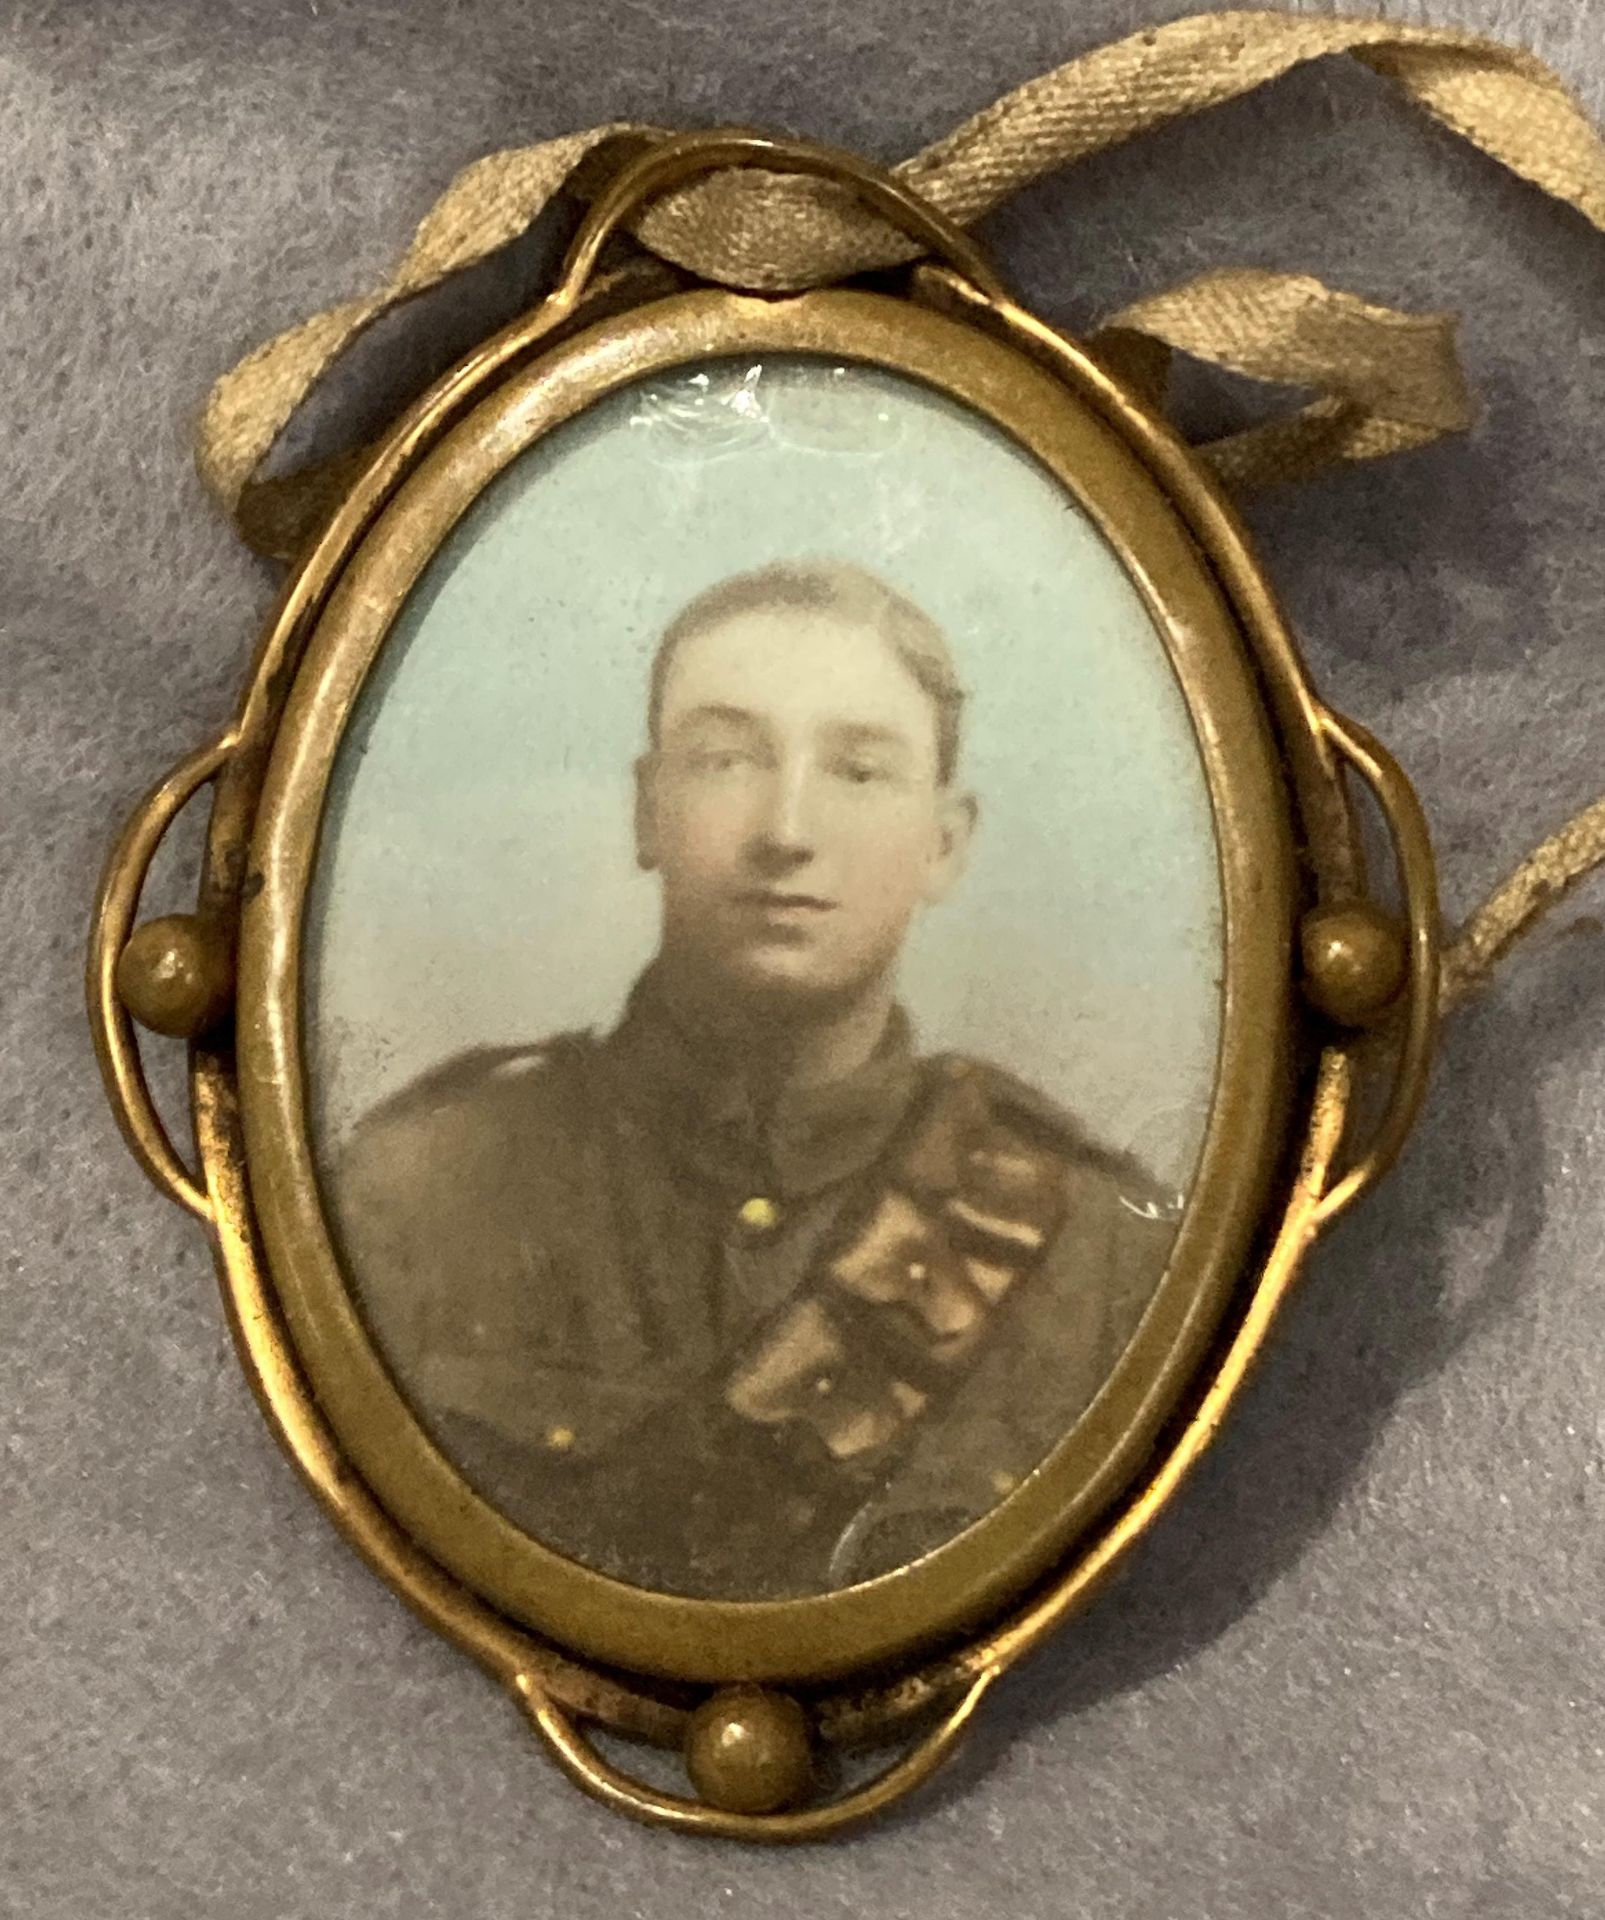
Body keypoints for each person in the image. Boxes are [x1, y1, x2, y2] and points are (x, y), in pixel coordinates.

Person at [329, 558, 1177, 1601]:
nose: (786, 832)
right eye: (727, 760)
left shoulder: (1106, 1252)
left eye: (859, 772)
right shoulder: (420, 1189)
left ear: (944, 845)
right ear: (648, 811)